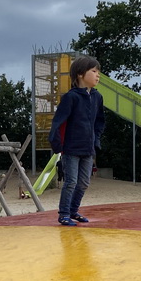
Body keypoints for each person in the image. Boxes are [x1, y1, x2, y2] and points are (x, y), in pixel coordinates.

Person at [49, 55, 105, 227]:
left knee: (84, 182)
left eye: (98, 72)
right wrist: (57, 145)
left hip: (88, 148)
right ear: (81, 74)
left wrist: (96, 141)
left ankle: (73, 210)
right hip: (71, 149)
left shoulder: (97, 97)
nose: (98, 75)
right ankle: (64, 214)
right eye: (94, 71)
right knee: (71, 181)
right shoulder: (71, 97)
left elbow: (99, 121)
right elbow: (58, 122)